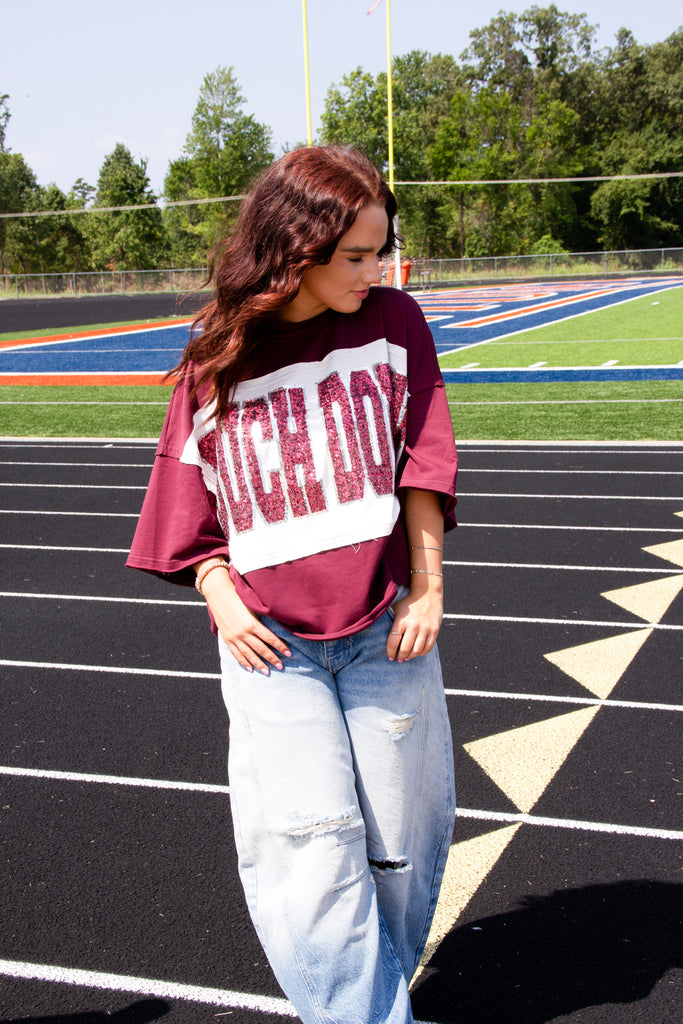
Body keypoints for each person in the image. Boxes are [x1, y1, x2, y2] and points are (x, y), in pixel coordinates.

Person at [127, 145, 458, 1024]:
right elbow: (186, 509)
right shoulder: (215, 358)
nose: (373, 270)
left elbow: (423, 466)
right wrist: (221, 596)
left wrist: (427, 589)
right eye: (354, 255)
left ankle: (367, 994)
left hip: (388, 627)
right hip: (273, 648)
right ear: (294, 248)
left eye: (379, 251)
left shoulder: (394, 322)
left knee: (398, 850)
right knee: (309, 853)